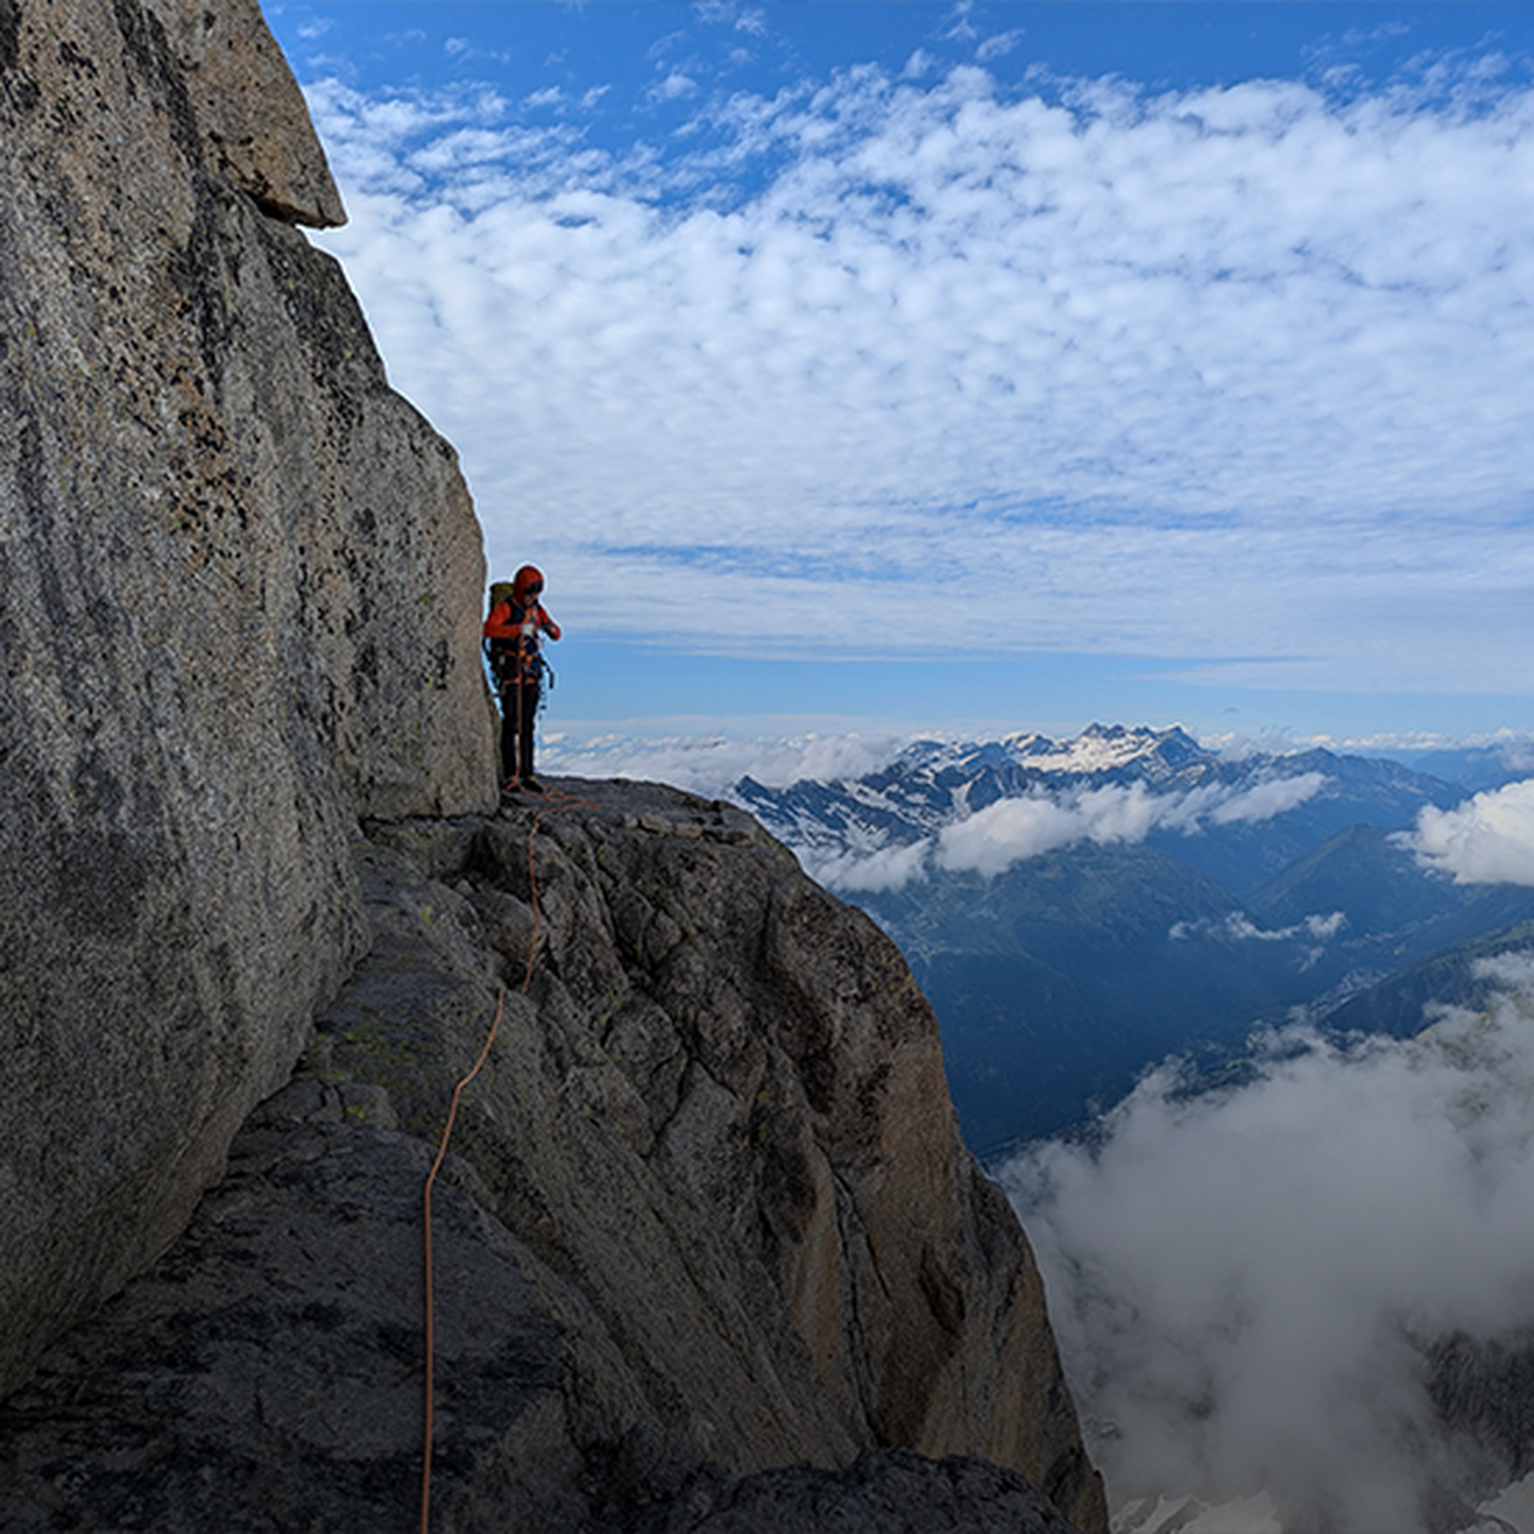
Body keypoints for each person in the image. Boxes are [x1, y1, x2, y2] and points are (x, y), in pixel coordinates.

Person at [483, 564, 561, 794]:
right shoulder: (505, 607)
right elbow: (488, 630)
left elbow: (556, 634)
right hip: (511, 670)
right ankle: (510, 775)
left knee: (527, 724)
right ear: (520, 590)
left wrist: (548, 628)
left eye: (536, 593)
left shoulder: (537, 609)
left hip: (529, 673)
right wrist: (517, 630)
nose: (533, 597)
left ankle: (527, 773)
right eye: (529, 592)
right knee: (512, 723)